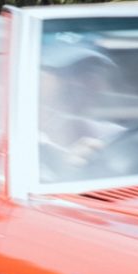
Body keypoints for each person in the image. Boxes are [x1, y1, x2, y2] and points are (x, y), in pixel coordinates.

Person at [38, 45, 126, 177]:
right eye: (65, 74)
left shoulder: (110, 134)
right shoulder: (12, 141)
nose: (80, 84)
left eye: (91, 74)